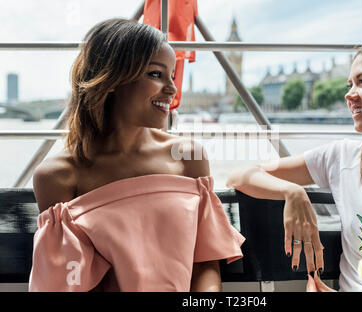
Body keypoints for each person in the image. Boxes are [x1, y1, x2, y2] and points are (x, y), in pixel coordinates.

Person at [29, 18, 245, 292]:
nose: (172, 89)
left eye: (173, 76)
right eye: (156, 74)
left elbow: (204, 263)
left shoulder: (188, 157)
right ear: (110, 80)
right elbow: (69, 282)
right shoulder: (58, 176)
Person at [227, 34, 362, 292]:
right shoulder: (341, 157)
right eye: (349, 84)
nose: (349, 95)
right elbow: (240, 176)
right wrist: (292, 192)